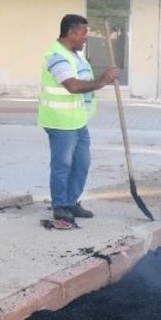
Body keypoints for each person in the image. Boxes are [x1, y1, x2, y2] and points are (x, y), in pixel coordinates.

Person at [38, 14, 119, 228]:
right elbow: (72, 86)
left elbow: (84, 82)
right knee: (62, 165)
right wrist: (102, 81)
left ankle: (71, 202)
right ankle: (60, 206)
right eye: (84, 33)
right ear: (71, 32)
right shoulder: (56, 56)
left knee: (82, 163)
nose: (86, 37)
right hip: (60, 121)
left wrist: (103, 78)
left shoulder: (75, 55)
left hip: (78, 120)